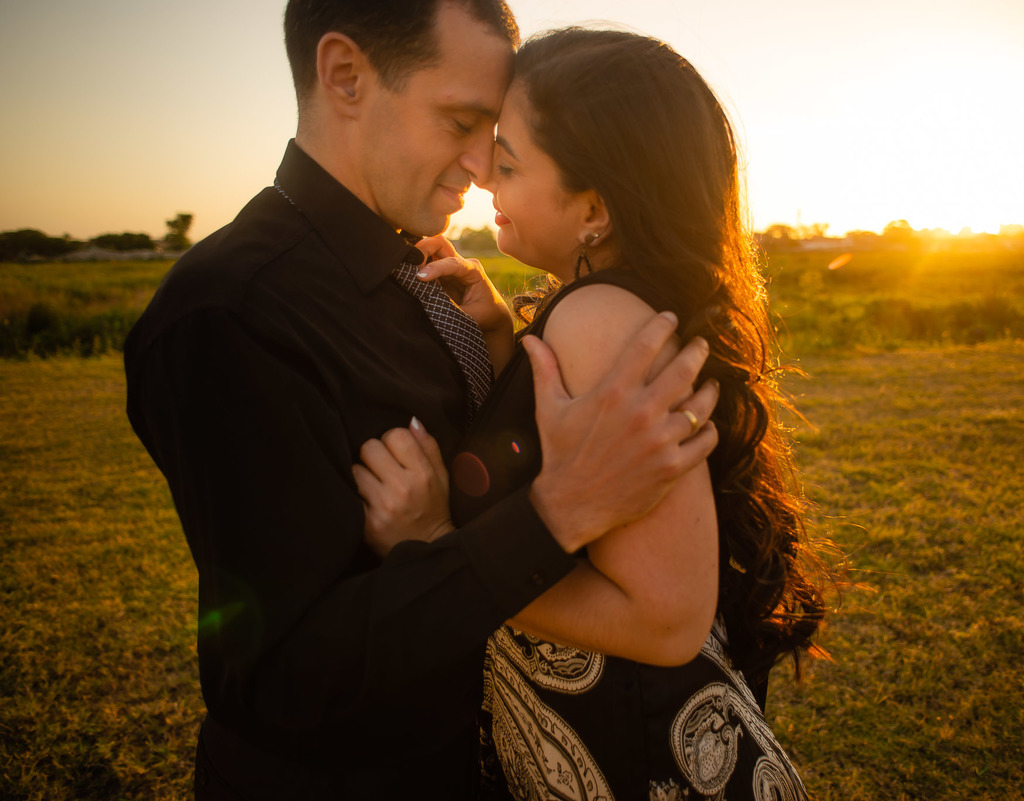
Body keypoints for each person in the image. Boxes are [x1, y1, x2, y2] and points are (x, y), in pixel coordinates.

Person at [122, 2, 720, 798]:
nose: (481, 164)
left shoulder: (428, 277)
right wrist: (552, 517)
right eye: (462, 121)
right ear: (344, 76)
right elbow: (284, 674)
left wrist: (508, 351)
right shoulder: (230, 314)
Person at [356, 27, 834, 801]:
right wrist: (507, 348)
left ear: (594, 210)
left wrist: (438, 548)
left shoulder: (598, 318)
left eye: (507, 161)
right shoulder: (600, 312)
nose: (481, 176)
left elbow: (666, 618)